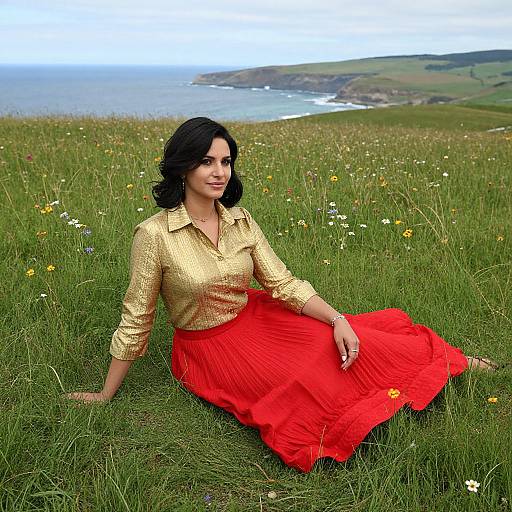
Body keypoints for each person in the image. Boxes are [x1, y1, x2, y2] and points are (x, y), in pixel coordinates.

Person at [67, 117, 500, 473]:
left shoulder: (240, 220)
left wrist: (337, 319)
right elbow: (136, 317)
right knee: (306, 372)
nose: (220, 172)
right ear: (183, 167)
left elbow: (283, 283)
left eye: (226, 161)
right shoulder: (154, 236)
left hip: (259, 317)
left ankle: (448, 361)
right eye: (207, 162)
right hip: (210, 348)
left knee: (343, 339)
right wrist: (106, 394)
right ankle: (355, 421)